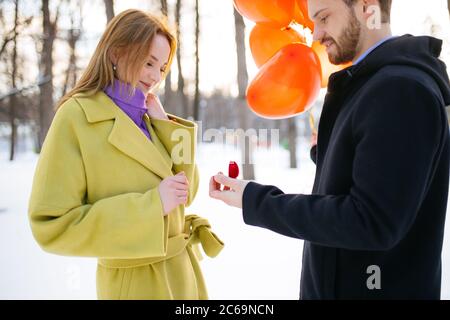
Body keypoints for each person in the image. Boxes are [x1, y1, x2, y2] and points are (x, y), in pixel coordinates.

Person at [210, 0, 450, 299]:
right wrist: (327, 155)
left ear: (367, 8)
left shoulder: (400, 91)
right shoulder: (370, 85)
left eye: (323, 18)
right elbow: (377, 180)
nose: (315, 36)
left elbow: (370, 222)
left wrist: (256, 200)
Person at [28, 9, 223, 300]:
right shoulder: (77, 116)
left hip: (184, 276)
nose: (156, 77)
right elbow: (52, 225)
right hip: (133, 285)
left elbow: (187, 193)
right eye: (149, 63)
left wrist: (168, 129)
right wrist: (151, 205)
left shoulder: (150, 116)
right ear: (117, 53)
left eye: (162, 67)